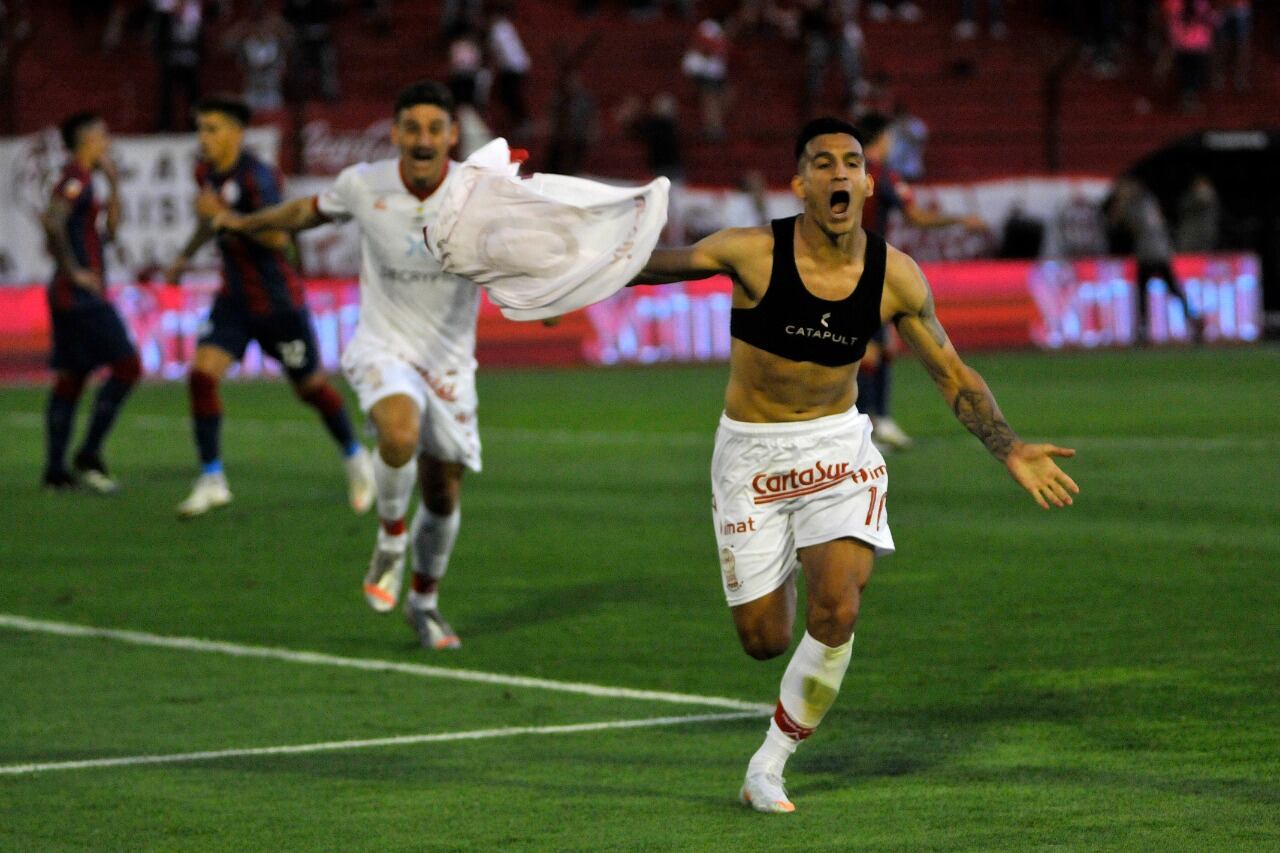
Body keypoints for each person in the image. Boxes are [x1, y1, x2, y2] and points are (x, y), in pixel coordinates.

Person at [636, 116, 1078, 813]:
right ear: (799, 183)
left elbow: (953, 373)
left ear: (869, 183)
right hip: (750, 454)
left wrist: (1009, 445)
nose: (839, 173)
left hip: (837, 447)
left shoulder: (894, 275)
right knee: (765, 639)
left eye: (850, 162)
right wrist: (560, 260)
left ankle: (768, 765)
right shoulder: (752, 253)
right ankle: (771, 561)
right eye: (822, 163)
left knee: (839, 603)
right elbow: (650, 265)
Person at [208, 82, 481, 650]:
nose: (423, 139)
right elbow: (304, 213)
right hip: (384, 345)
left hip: (450, 362)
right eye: (413, 127)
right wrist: (245, 224)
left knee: (443, 495)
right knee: (399, 434)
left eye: (435, 128)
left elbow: (533, 244)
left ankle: (425, 603)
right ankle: (389, 539)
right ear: (396, 133)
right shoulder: (364, 185)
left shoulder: (482, 192)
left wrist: (553, 297)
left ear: (452, 135)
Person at [164, 95, 373, 518]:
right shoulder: (205, 171)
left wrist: (225, 216)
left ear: (237, 133)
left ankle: (356, 458)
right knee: (202, 377)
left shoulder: (260, 178)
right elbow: (210, 220)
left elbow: (279, 239)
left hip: (277, 302)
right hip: (234, 300)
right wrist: (186, 256)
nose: (204, 138)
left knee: (310, 389)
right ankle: (212, 479)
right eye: (200, 128)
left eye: (213, 129)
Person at [857, 111, 986, 451]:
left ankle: (876, 422)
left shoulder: (844, 173)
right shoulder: (883, 175)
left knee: (875, 348)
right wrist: (960, 219)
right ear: (882, 138)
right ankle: (865, 427)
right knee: (869, 350)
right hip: (866, 270)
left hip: (844, 269)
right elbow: (915, 216)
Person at [40, 112, 141, 493]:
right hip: (78, 296)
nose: (108, 141)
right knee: (128, 366)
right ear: (86, 140)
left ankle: (55, 471)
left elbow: (111, 234)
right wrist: (73, 271)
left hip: (73, 295)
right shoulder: (74, 178)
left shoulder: (88, 181)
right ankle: (89, 452)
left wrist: (114, 184)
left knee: (72, 377)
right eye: (103, 135)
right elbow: (52, 220)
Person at [1106, 175, 1202, 344]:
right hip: (1160, 252)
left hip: (1149, 254)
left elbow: (1118, 223)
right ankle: (1192, 319)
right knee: (1171, 290)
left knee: (1145, 293)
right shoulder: (1149, 201)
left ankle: (1144, 329)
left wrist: (1121, 202)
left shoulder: (1137, 204)